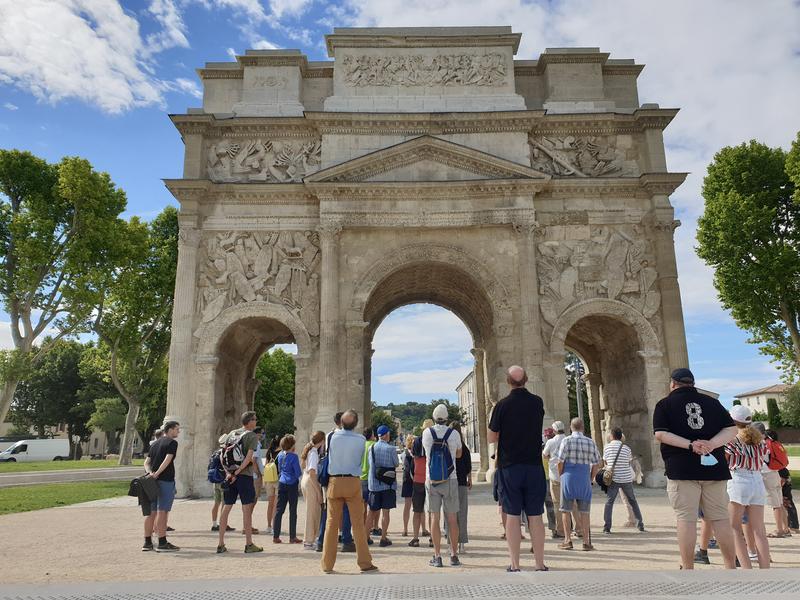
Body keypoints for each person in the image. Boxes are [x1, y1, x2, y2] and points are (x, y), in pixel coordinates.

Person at [653, 368, 737, 570]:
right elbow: (732, 429)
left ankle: (688, 568)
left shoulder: (664, 404)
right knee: (720, 518)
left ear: (672, 384)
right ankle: (730, 567)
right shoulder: (712, 403)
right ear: (692, 383)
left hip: (682, 469)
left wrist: (691, 445)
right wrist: (711, 444)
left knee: (686, 520)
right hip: (714, 467)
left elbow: (661, 434)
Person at [488, 366, 547, 572]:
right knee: (536, 516)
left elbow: (491, 437)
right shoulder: (537, 402)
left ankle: (515, 564)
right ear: (527, 380)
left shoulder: (502, 406)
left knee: (512, 516)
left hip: (510, 466)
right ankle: (539, 563)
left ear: (508, 382)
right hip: (533, 465)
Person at [321, 409, 377, 574]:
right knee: (358, 524)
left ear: (340, 422)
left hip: (335, 481)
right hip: (353, 481)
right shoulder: (360, 440)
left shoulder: (330, 436)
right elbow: (360, 459)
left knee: (331, 524)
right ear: (356, 424)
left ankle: (327, 564)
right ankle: (365, 563)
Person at [724, 405, 770, 569]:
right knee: (759, 530)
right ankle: (765, 569)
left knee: (734, 528)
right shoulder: (760, 441)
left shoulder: (732, 440)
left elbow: (724, 460)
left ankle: (746, 568)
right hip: (757, 481)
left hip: (738, 480)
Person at [423, 404, 463, 568]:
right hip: (450, 478)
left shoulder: (427, 433)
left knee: (434, 517)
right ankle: (453, 555)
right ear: (447, 418)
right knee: (452, 518)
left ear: (433, 418)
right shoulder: (454, 433)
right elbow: (459, 455)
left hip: (432, 479)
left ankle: (437, 556)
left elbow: (426, 452)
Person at [217, 411, 261, 554]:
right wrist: (238, 471)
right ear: (249, 421)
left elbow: (222, 455)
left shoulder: (231, 434)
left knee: (226, 508)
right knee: (246, 509)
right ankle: (249, 544)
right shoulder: (251, 436)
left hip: (230, 476)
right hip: (244, 476)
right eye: (254, 419)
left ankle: (221, 543)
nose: (256, 422)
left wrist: (230, 473)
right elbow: (249, 457)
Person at [556, 417, 601, 552]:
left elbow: (560, 461)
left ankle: (568, 540)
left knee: (566, 510)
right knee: (585, 511)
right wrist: (590, 478)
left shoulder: (566, 440)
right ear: (583, 428)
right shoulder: (590, 442)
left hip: (569, 476)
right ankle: (586, 542)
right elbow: (596, 463)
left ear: (571, 427)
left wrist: (561, 474)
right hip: (583, 477)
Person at [317, 412, 355, 553]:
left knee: (328, 511)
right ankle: (346, 540)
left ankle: (321, 541)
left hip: (330, 475)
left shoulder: (329, 435)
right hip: (345, 475)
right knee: (346, 510)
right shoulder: (348, 436)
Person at [143, 420, 180, 552]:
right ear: (170, 429)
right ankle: (162, 541)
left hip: (151, 481)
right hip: (165, 480)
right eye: (177, 429)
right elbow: (168, 459)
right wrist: (157, 473)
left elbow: (146, 462)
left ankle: (147, 542)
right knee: (162, 511)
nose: (178, 432)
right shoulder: (172, 443)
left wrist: (150, 473)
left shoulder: (155, 444)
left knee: (151, 512)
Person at [602, 427, 645, 534]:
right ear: (621, 437)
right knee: (632, 500)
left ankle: (607, 527)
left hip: (614, 478)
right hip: (626, 478)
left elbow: (606, 463)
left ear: (611, 436)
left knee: (609, 502)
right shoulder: (626, 448)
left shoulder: (607, 448)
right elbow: (628, 462)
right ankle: (640, 524)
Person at [542, 420, 580, 539]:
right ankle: (579, 529)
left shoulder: (551, 442)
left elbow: (544, 454)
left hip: (555, 476)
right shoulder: (569, 440)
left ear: (554, 431)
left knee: (558, 504)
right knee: (573, 503)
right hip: (569, 475)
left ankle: (561, 530)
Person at [367, 424, 399, 547]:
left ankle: (366, 537)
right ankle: (383, 538)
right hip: (387, 485)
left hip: (374, 485)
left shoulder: (372, 448)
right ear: (386, 435)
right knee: (386, 512)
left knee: (371, 512)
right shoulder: (390, 449)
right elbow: (396, 463)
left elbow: (371, 465)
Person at [759, 426, 790, 538]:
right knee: (780, 503)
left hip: (767, 475)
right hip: (775, 473)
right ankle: (785, 528)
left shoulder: (762, 443)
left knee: (775, 505)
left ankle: (779, 530)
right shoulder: (772, 442)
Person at [273, 434, 302, 544]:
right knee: (293, 511)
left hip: (282, 482)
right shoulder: (293, 457)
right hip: (292, 484)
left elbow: (279, 468)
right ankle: (292, 536)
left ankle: (276, 536)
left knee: (279, 510)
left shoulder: (280, 455)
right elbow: (298, 472)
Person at [301, 431, 325, 549]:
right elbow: (312, 473)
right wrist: (318, 492)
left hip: (306, 480)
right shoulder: (314, 453)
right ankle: (309, 540)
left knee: (312, 511)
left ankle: (310, 538)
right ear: (321, 441)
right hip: (311, 482)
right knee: (312, 512)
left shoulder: (310, 451)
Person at [452, 422, 472, 554]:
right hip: (462, 482)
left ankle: (451, 543)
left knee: (450, 514)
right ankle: (462, 543)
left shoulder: (449, 447)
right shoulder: (465, 448)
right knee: (462, 513)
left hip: (450, 482)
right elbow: (468, 466)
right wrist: (469, 479)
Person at [211, 433, 235, 533]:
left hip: (215, 480)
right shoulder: (225, 452)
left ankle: (214, 524)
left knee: (216, 503)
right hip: (223, 480)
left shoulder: (215, 453)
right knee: (224, 504)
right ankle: (223, 524)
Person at [408, 431, 428, 547]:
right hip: (430, 480)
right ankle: (431, 538)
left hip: (417, 481)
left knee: (417, 511)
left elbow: (411, 469)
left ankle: (415, 538)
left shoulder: (415, 455)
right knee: (431, 511)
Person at [361, 427, 378, 540]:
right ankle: (374, 527)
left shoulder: (361, 446)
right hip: (371, 478)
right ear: (372, 435)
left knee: (362, 507)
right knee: (373, 507)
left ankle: (362, 527)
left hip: (360, 478)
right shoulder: (374, 445)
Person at [263, 435, 280, 534]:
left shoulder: (269, 453)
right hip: (277, 479)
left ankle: (268, 526)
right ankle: (274, 526)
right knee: (275, 505)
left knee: (270, 504)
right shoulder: (281, 453)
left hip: (269, 479)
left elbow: (266, 465)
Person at [249, 427, 263, 535]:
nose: (262, 435)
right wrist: (257, 472)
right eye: (261, 433)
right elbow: (253, 459)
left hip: (253, 474)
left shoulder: (253, 443)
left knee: (253, 499)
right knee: (253, 499)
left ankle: (248, 524)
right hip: (255, 475)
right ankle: (247, 525)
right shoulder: (256, 444)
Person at [401, 434, 415, 537]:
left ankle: (405, 529)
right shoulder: (417, 454)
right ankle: (423, 528)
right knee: (419, 507)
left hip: (406, 481)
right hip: (416, 481)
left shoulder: (403, 454)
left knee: (407, 506)